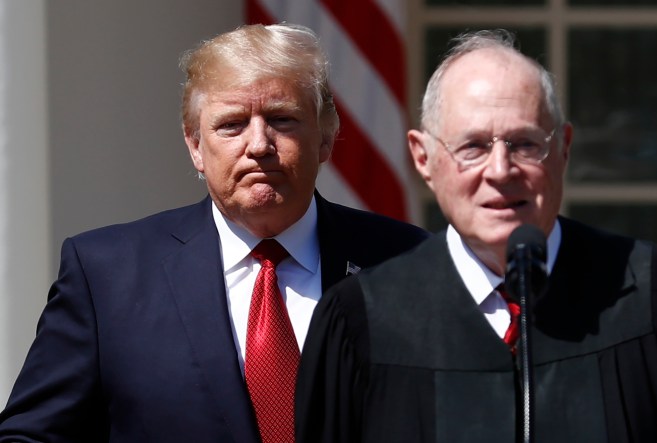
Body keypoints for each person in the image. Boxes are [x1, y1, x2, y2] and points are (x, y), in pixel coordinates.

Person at [295, 29, 657, 443]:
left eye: (525, 144)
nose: (500, 171)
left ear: (564, 149)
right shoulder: (361, 321)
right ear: (424, 158)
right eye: (472, 146)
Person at [0, 23, 428, 442]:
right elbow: (30, 435)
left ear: (326, 140)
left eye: (282, 119)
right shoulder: (107, 275)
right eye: (232, 125)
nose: (259, 144)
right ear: (195, 146)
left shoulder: (408, 263)